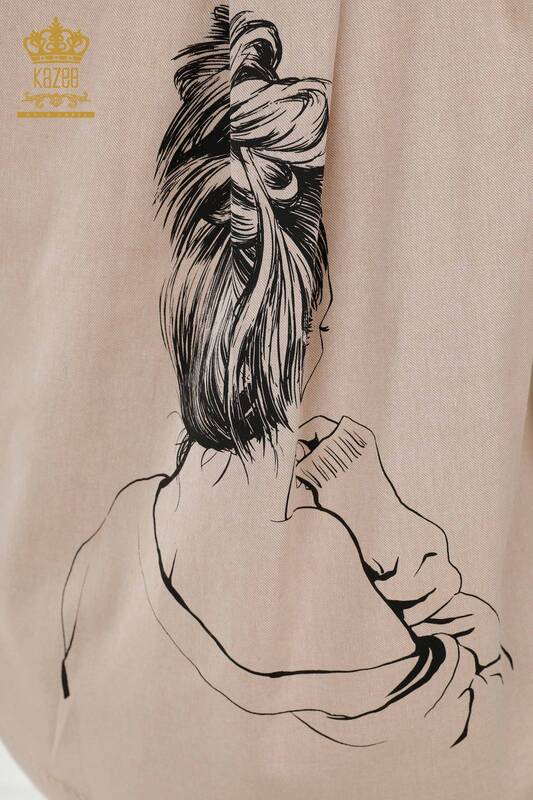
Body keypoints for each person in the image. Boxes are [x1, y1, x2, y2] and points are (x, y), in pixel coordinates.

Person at [60, 4, 509, 753]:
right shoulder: (336, 572)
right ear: (306, 335)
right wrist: (394, 535)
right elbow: (483, 723)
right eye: (324, 324)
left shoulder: (112, 541)